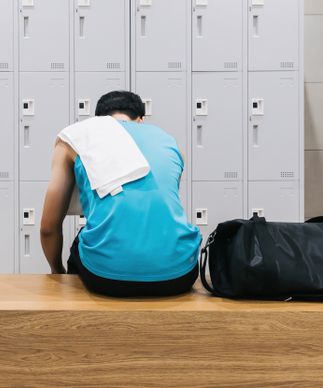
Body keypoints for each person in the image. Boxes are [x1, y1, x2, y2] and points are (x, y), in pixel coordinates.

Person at [40, 91, 202, 297]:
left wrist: (57, 271)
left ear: (98, 120)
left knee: (83, 239)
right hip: (179, 275)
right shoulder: (171, 142)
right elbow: (159, 208)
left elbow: (48, 227)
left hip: (106, 279)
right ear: (141, 119)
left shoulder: (77, 138)